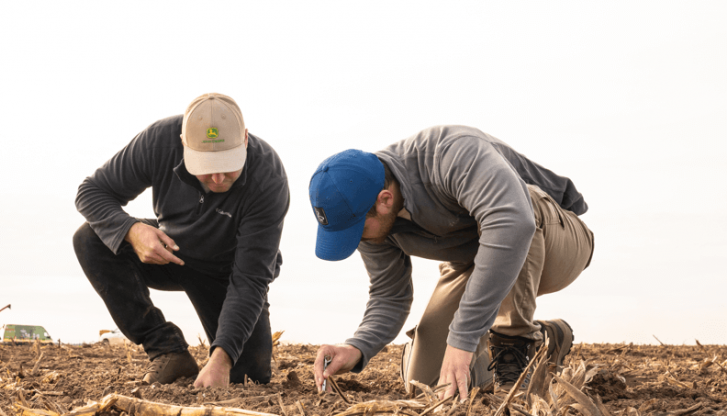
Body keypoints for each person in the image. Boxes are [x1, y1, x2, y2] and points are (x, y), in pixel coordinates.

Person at [308, 125, 594, 401]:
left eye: (357, 231)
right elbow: (389, 295)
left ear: (384, 200)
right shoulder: (369, 217)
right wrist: (356, 347)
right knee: (428, 385)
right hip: (472, 259)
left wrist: (463, 337)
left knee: (513, 211)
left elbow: (514, 224)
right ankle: (544, 341)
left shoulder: (451, 154)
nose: (357, 240)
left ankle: (516, 342)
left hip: (558, 239)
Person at [73, 93, 289, 388]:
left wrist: (222, 359)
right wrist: (132, 230)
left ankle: (227, 360)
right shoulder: (158, 142)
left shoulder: (268, 178)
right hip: (172, 252)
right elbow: (91, 191)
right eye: (205, 164)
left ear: (245, 140)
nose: (216, 178)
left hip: (229, 273)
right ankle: (167, 349)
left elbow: (250, 279)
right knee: (90, 239)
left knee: (248, 378)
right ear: (183, 144)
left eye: (228, 164)